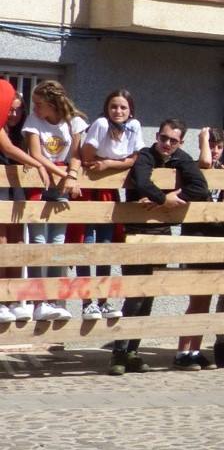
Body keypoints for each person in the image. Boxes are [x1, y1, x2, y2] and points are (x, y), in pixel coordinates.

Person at [109, 118, 211, 375]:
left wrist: (172, 198)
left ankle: (134, 351)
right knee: (134, 293)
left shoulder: (182, 159)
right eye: (164, 138)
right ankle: (119, 353)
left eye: (173, 140)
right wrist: (163, 198)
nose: (167, 144)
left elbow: (200, 187)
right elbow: (141, 182)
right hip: (136, 231)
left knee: (149, 295)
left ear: (180, 142)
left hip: (162, 232)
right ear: (157, 136)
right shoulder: (146, 155)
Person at [21, 80, 88, 322]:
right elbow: (36, 154)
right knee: (39, 241)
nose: (35, 108)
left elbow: (77, 155)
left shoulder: (75, 122)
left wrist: (71, 175)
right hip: (41, 183)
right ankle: (38, 301)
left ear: (52, 103)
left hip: (62, 183)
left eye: (39, 104)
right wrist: (67, 175)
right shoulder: (33, 121)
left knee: (58, 242)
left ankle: (54, 300)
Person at [77, 90, 143, 321]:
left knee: (105, 244)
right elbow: (87, 157)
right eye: (114, 106)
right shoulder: (101, 124)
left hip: (109, 188)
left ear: (130, 110)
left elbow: (135, 157)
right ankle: (87, 302)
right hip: (89, 188)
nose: (118, 111)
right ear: (107, 108)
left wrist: (108, 164)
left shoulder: (134, 126)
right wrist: (107, 165)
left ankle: (103, 300)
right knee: (87, 244)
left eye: (123, 107)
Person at [178, 127, 224, 369]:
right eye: (210, 144)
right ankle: (183, 351)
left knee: (206, 299)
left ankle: (196, 350)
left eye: (218, 147)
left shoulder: (223, 171)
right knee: (197, 299)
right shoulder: (192, 166)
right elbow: (204, 163)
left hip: (216, 239)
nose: (214, 151)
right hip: (195, 237)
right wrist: (202, 140)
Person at [0, 80, 42, 325]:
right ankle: (2, 301)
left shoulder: (23, 131)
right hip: (1, 186)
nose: (13, 114)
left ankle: (15, 300)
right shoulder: (1, 129)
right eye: (9, 109)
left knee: (17, 240)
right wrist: (39, 165)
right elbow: (9, 150)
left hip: (15, 188)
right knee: (2, 242)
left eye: (18, 109)